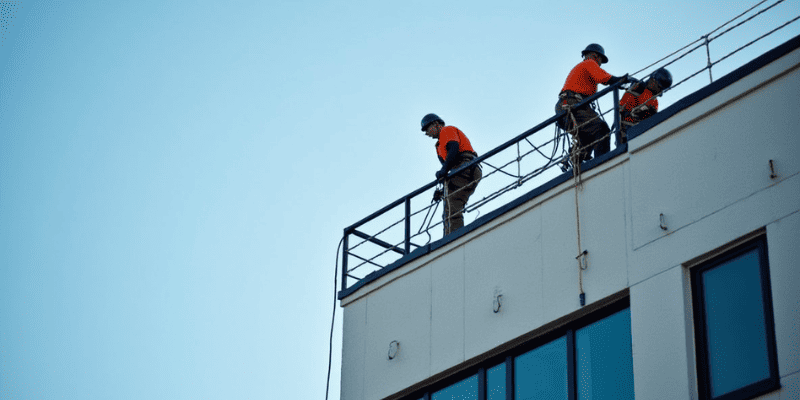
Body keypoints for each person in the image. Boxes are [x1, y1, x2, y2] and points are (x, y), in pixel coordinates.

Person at [556, 43, 628, 163]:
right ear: (595, 56)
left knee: (588, 135)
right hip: (572, 105)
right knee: (601, 129)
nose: (599, 64)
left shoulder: (581, 67)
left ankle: (575, 158)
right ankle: (603, 163)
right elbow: (604, 78)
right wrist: (622, 80)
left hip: (567, 106)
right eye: (600, 61)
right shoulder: (589, 63)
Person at [421, 113, 482, 235]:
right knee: (450, 205)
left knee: (452, 203)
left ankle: (453, 238)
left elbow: (453, 149)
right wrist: (442, 189)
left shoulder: (446, 130)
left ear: (435, 124)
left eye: (427, 129)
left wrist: (443, 171)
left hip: (466, 165)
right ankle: (450, 236)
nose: (427, 134)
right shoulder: (439, 146)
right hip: (461, 169)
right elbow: (448, 167)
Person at [617, 67, 673, 144]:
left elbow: (647, 113)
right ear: (653, 81)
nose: (660, 92)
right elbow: (625, 110)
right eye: (659, 88)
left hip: (642, 132)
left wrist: (647, 112)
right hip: (627, 129)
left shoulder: (654, 101)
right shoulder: (635, 88)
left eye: (662, 90)